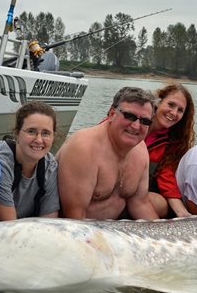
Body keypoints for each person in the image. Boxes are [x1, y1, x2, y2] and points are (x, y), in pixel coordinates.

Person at [57, 86, 159, 220]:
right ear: (111, 114)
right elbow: (74, 217)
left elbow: (140, 204)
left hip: (111, 228)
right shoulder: (84, 147)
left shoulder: (140, 149)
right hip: (77, 230)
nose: (136, 126)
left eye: (145, 121)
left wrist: (166, 239)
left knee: (159, 204)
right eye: (129, 116)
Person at [0, 101, 60, 221]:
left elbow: (49, 222)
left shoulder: (50, 166)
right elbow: (8, 224)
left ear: (53, 136)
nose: (39, 140)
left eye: (46, 133)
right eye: (31, 131)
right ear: (16, 133)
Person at [145, 83, 195, 218]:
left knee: (161, 204)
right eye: (171, 105)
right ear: (158, 102)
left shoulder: (172, 142)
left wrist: (182, 212)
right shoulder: (132, 122)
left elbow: (166, 176)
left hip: (137, 194)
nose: (174, 113)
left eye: (180, 110)